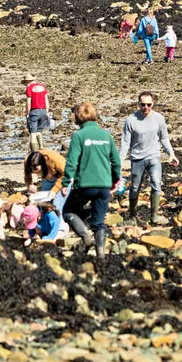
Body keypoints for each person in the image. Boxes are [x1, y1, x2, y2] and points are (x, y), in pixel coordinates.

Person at [61, 102, 121, 257]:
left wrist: (66, 183)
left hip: (85, 185)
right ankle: (101, 254)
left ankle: (86, 237)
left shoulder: (78, 136)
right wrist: (115, 180)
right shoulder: (106, 136)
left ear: (77, 118)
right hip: (104, 185)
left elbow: (72, 162)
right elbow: (116, 161)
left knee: (68, 211)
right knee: (99, 222)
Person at [120, 91, 179, 223]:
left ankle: (154, 217)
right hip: (137, 158)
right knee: (135, 188)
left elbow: (164, 138)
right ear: (138, 104)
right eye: (143, 104)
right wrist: (120, 161)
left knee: (156, 183)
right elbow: (125, 142)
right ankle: (132, 215)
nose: (145, 107)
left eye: (148, 104)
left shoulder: (159, 118)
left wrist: (171, 154)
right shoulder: (131, 120)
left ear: (153, 104)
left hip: (154, 156)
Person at [23, 74, 50, 153]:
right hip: (43, 111)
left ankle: (34, 154)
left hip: (34, 111)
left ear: (28, 81)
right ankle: (41, 146)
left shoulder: (29, 88)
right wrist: (47, 111)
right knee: (39, 131)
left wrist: (27, 113)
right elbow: (46, 100)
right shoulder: (42, 87)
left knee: (33, 134)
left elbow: (28, 102)